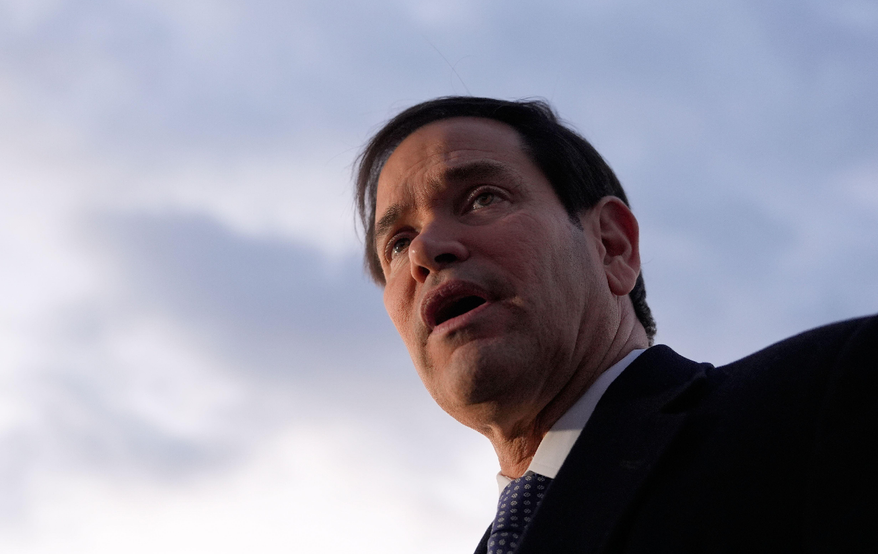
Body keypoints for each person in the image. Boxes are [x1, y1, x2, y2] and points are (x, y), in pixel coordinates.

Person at [354, 96, 877, 553]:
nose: (425, 251)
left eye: (483, 197)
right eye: (397, 243)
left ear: (612, 246)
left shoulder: (830, 395)